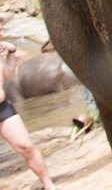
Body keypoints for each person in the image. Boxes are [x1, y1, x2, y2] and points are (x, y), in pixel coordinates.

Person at [0, 26, 58, 190]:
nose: (2, 33)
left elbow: (9, 73)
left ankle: (48, 185)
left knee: (26, 146)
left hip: (2, 109)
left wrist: (11, 53)